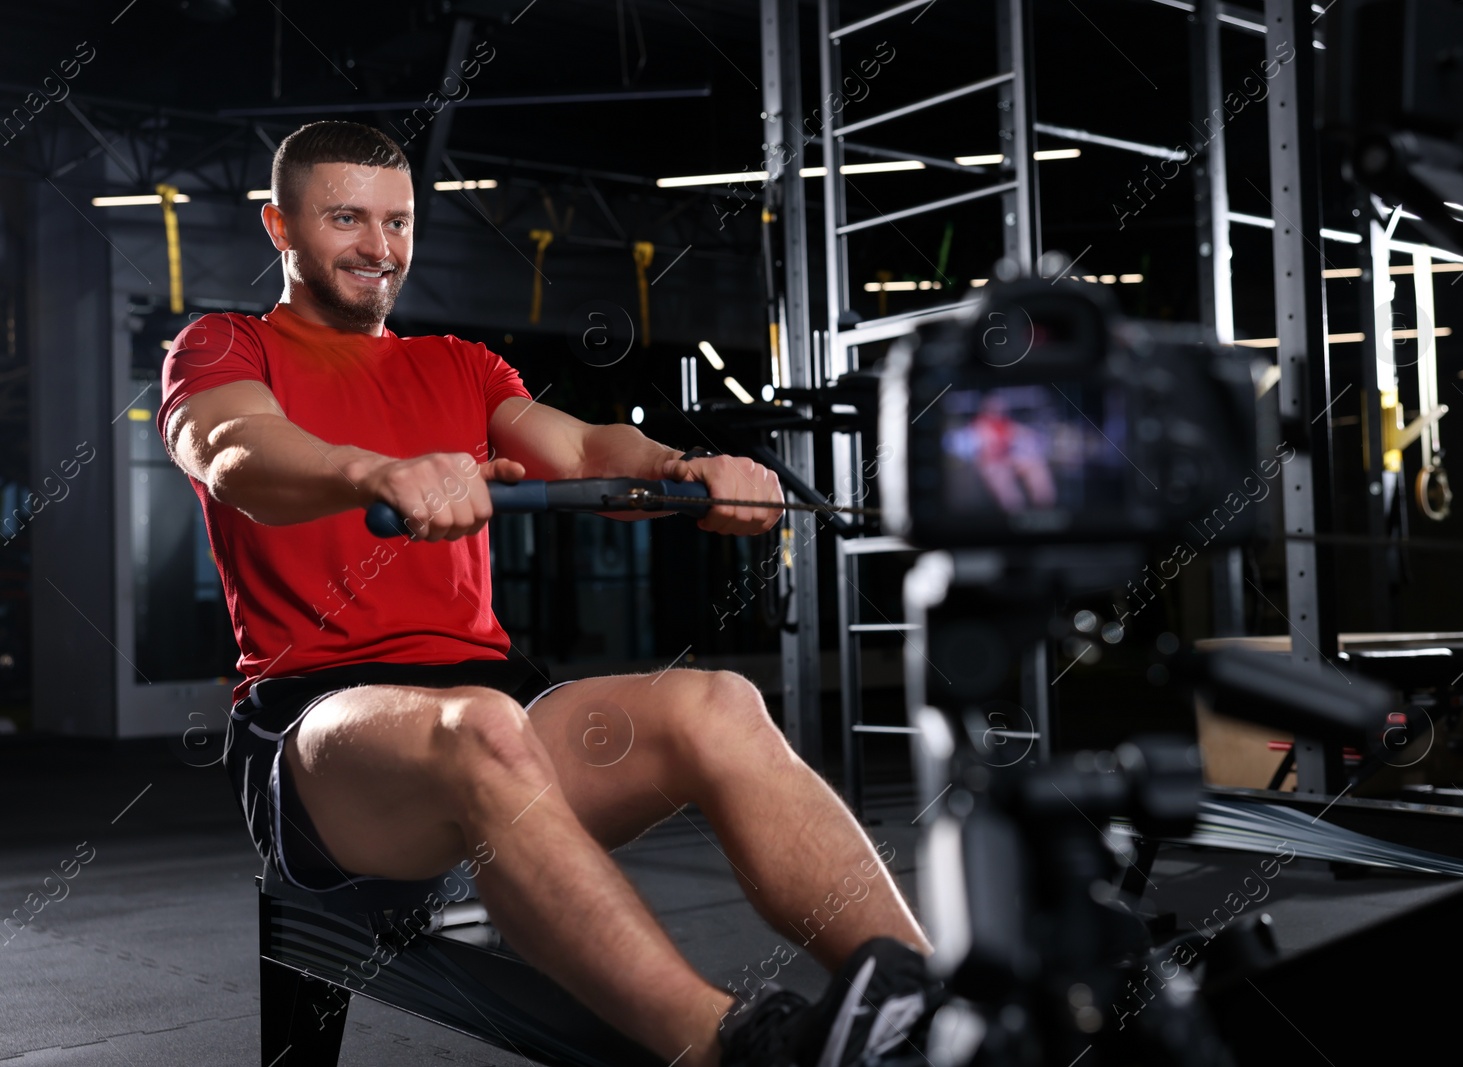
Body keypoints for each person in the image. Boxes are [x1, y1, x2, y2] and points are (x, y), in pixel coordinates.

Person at [157, 121, 940, 1067]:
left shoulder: (456, 363)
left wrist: (685, 468)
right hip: (318, 732)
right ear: (280, 227)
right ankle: (730, 1047)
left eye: (398, 222)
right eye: (345, 219)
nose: (379, 246)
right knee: (478, 725)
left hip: (504, 714)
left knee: (720, 705)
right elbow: (232, 451)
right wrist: (373, 472)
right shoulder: (225, 344)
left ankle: (931, 1013)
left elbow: (581, 449)